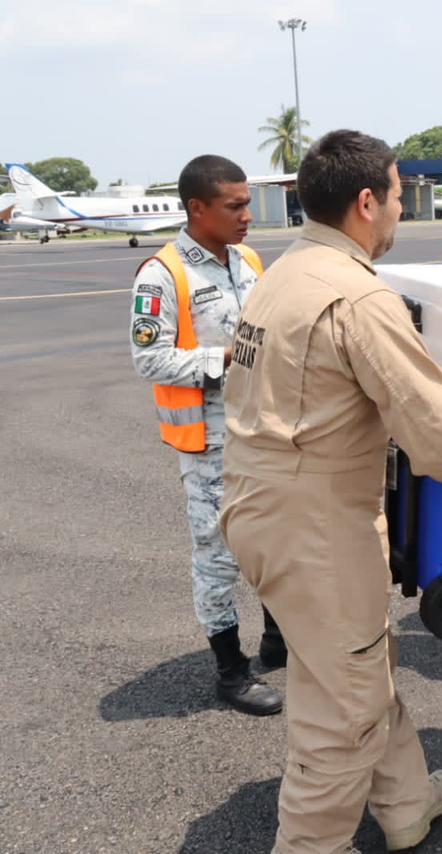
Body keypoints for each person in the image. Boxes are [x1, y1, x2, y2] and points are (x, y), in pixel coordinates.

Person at [219, 129, 442, 854]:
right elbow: (435, 426)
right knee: (343, 713)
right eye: (400, 194)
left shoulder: (284, 271)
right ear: (367, 202)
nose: (403, 207)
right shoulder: (357, 296)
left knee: (356, 663)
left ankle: (405, 807)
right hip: (313, 526)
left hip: (262, 509)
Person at [128, 154, 284, 717]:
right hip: (210, 444)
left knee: (272, 540)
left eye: (248, 203)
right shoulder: (163, 274)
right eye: (235, 205)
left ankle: (276, 639)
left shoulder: (248, 261)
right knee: (218, 557)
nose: (248, 214)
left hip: (263, 432)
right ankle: (230, 671)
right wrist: (226, 361)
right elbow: (150, 359)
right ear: (197, 208)